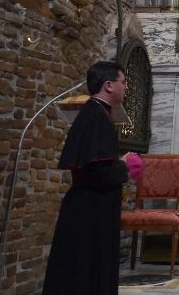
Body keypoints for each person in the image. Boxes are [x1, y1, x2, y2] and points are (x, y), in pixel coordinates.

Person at [43, 61, 142, 294]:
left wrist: (118, 163)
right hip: (91, 208)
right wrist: (124, 164)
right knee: (86, 269)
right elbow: (98, 173)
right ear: (109, 85)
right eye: (123, 82)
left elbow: (96, 163)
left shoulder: (95, 113)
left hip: (90, 205)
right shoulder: (97, 117)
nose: (126, 87)